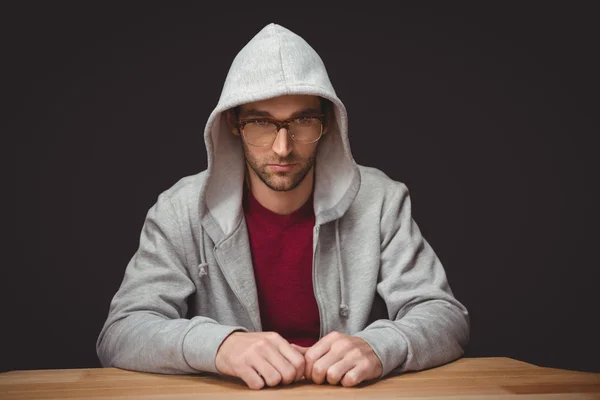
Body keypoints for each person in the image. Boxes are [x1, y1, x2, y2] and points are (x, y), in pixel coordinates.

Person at [96, 22, 470, 390]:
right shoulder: (179, 210)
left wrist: (379, 346)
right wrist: (221, 346)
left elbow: (446, 317)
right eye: (260, 122)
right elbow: (122, 332)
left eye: (302, 121)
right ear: (233, 124)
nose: (282, 147)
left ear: (327, 122)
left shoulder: (381, 200)